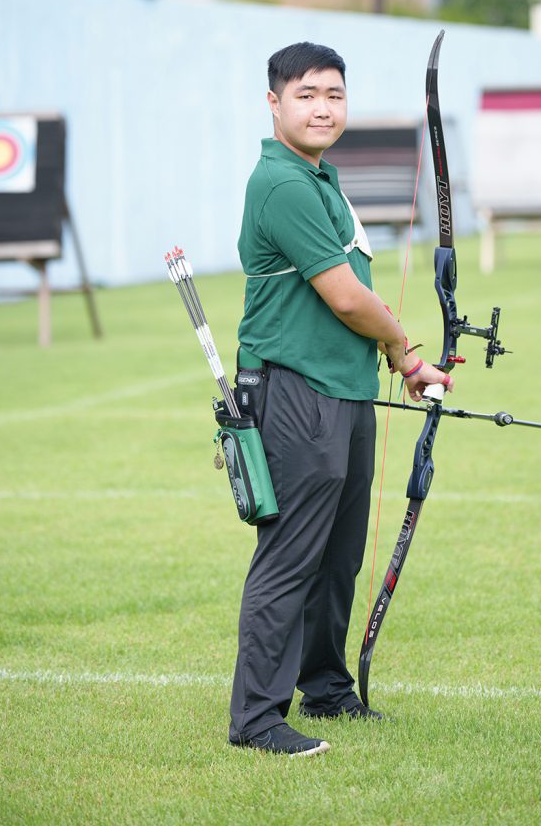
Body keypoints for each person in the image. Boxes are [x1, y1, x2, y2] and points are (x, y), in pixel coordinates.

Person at [229, 41, 453, 757]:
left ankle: (324, 689)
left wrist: (390, 357)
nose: (322, 107)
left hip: (342, 390)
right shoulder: (283, 184)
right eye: (305, 94)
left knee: (336, 558)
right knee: (290, 556)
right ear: (274, 104)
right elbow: (346, 297)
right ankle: (257, 719)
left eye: (333, 94)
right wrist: (406, 351)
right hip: (296, 392)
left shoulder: (319, 178)